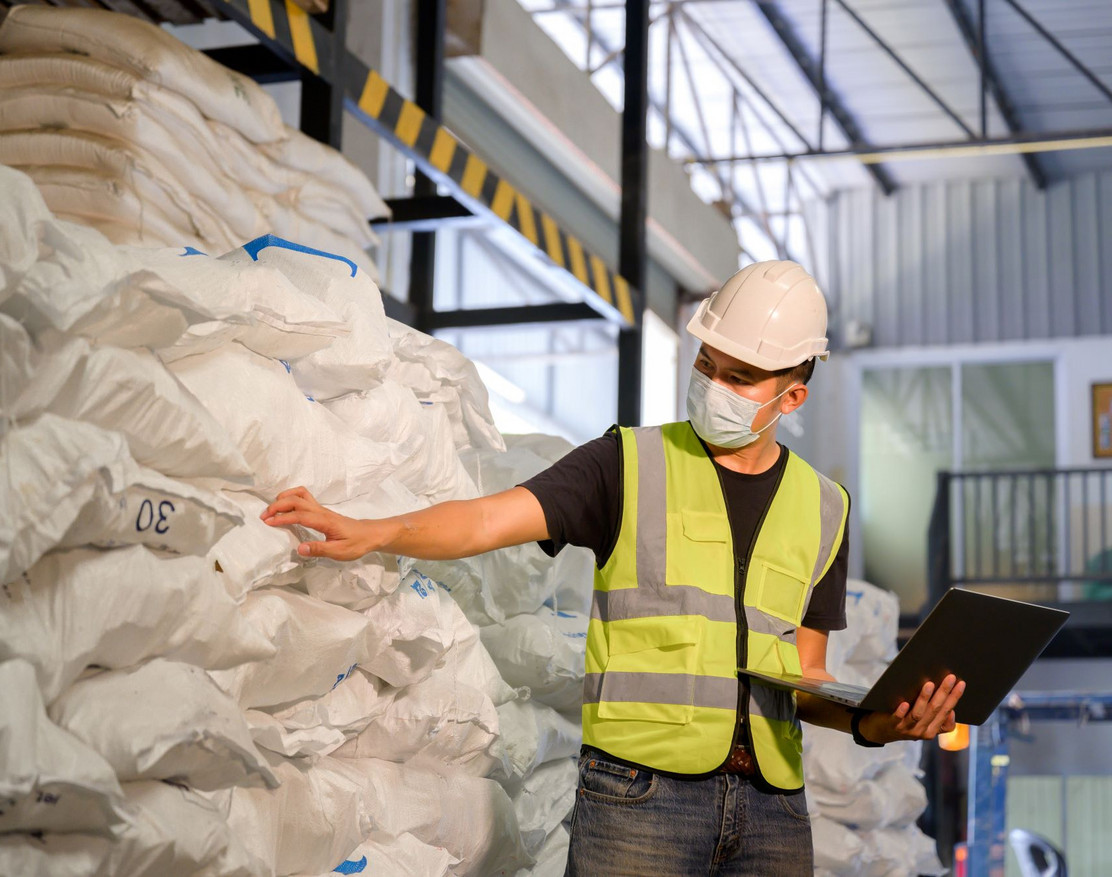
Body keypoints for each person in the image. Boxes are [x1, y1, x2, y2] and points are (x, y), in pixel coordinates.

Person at [261, 260, 966, 876]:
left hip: (772, 811)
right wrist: (374, 529)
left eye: (741, 376)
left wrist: (879, 723)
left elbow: (805, 678)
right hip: (641, 797)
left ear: (793, 394)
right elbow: (484, 518)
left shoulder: (825, 508)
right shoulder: (626, 464)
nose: (714, 384)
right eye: (707, 363)